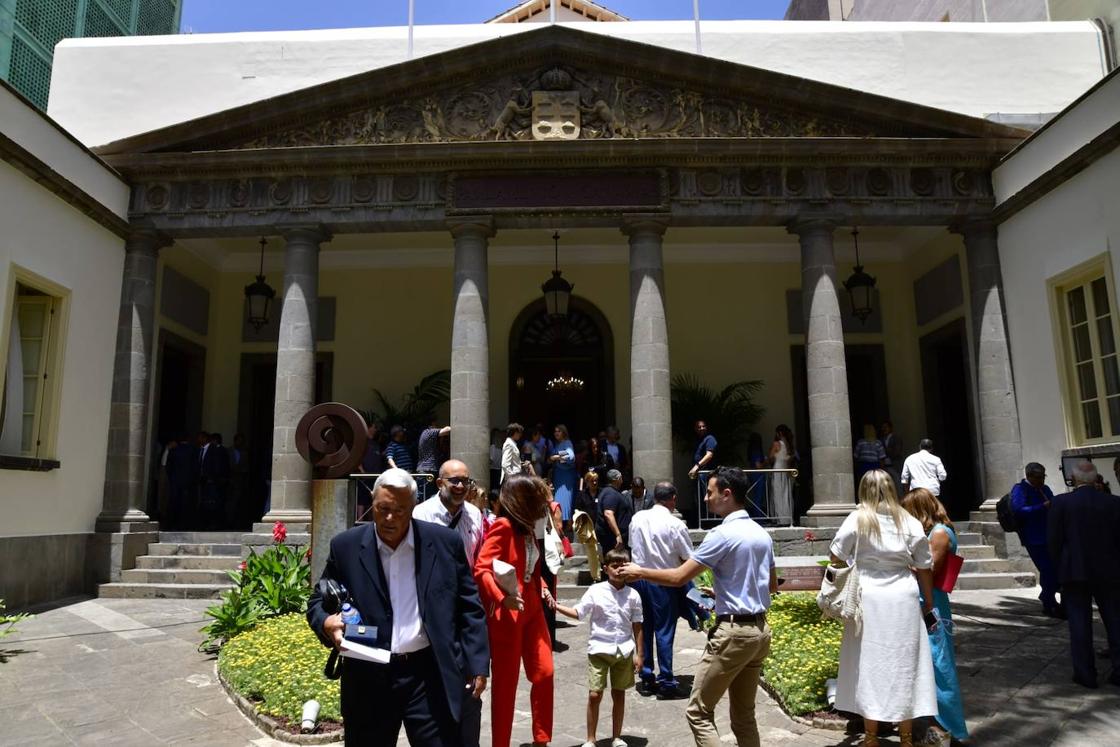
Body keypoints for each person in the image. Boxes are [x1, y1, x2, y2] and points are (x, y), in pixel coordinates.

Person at [306, 468, 490, 746]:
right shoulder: (346, 546)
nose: (390, 518)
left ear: (413, 507)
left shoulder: (444, 543)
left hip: (428, 674)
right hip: (369, 676)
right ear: (372, 503)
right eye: (383, 509)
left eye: (399, 511)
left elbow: (469, 606)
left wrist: (477, 663)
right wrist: (325, 622)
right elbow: (317, 600)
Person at [621, 467, 777, 747]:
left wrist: (640, 571)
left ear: (726, 494)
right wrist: (724, 590)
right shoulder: (761, 534)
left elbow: (679, 577)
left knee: (698, 713)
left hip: (733, 634)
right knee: (744, 716)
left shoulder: (722, 534)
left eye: (709, 492)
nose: (705, 498)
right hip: (759, 631)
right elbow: (772, 585)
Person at [829, 470, 937, 747]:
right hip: (903, 595)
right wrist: (929, 603)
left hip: (868, 594)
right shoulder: (909, 521)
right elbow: (924, 566)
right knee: (905, 662)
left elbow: (835, 555)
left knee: (868, 662)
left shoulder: (858, 518)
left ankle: (871, 737)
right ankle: (906, 738)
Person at [474, 474, 555, 747]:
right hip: (509, 614)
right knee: (505, 687)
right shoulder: (504, 526)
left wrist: (542, 585)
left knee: (545, 673)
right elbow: (482, 568)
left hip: (533, 610)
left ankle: (541, 739)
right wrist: (501, 597)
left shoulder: (528, 528)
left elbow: (528, 565)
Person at [554, 546, 644, 747]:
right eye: (614, 566)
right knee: (595, 694)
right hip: (599, 650)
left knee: (619, 693)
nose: (619, 570)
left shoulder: (633, 595)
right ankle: (590, 739)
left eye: (623, 566)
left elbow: (637, 625)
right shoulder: (595, 591)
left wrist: (640, 654)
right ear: (605, 569)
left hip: (624, 650)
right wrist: (556, 606)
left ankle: (616, 737)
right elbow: (579, 613)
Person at [900, 488, 969, 744]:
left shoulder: (939, 533)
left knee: (939, 661)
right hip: (928, 599)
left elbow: (929, 569)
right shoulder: (936, 531)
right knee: (930, 660)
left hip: (933, 603)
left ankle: (946, 725)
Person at [1048, 460, 1120, 688]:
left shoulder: (1061, 503)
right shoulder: (1113, 502)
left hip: (1074, 571)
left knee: (1079, 623)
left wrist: (1058, 568)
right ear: (1095, 478)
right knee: (1115, 621)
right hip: (1109, 570)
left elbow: (1054, 540)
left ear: (1074, 478)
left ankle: (1085, 673)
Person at [627, 481, 693, 699]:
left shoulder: (638, 518)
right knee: (664, 630)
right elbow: (687, 557)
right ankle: (666, 681)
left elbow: (632, 546)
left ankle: (647, 677)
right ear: (672, 498)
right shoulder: (675, 524)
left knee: (643, 628)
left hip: (638, 579)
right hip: (664, 580)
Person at [1010, 462, 1062, 618]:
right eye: (1038, 477)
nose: (1042, 480)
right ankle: (1048, 601)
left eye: (1043, 477)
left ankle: (1048, 599)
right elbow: (1019, 510)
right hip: (1034, 537)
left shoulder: (1044, 489)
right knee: (1047, 569)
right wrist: (1042, 507)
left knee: (1054, 569)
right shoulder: (1020, 489)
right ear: (1029, 476)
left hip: (1050, 535)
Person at [413, 459, 485, 564]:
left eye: (465, 481)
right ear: (439, 483)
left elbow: (479, 557)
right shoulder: (421, 514)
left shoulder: (475, 514)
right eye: (454, 480)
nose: (460, 486)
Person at [596, 469, 632, 557]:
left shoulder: (612, 492)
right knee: (615, 560)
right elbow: (608, 514)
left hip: (618, 536)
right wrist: (618, 535)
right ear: (618, 479)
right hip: (613, 538)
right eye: (621, 477)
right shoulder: (610, 493)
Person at [415, 415, 451, 500]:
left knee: (425, 496)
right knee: (425, 497)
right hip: (428, 469)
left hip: (425, 469)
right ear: (432, 423)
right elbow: (447, 430)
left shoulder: (424, 434)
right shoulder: (429, 432)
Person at [549, 424, 578, 523]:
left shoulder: (567, 443)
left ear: (564, 433)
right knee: (558, 500)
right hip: (558, 475)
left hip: (566, 476)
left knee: (565, 500)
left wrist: (556, 457)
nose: (556, 433)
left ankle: (567, 523)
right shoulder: (557, 444)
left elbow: (571, 456)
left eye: (559, 431)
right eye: (555, 431)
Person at [768, 425, 795, 526]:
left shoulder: (776, 444)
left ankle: (779, 518)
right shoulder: (789, 445)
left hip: (777, 470)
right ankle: (787, 518)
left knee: (777, 493)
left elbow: (770, 457)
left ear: (779, 433)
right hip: (785, 471)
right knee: (785, 495)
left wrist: (770, 457)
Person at [880, 420, 903, 490]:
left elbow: (897, 452)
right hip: (884, 465)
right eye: (883, 427)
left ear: (890, 428)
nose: (884, 429)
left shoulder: (896, 438)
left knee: (897, 483)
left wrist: (886, 451)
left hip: (895, 464)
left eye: (886, 427)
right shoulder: (881, 439)